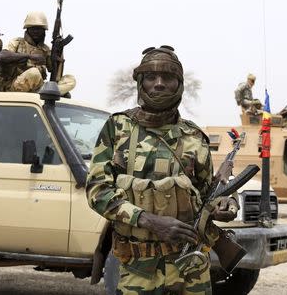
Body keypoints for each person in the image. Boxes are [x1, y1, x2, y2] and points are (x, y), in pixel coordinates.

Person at [86, 46, 239, 294]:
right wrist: (149, 220)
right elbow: (97, 191)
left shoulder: (194, 136)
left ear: (178, 84)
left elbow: (206, 193)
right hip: (138, 270)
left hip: (190, 267)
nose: (158, 84)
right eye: (150, 78)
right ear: (140, 83)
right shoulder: (117, 128)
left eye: (167, 78)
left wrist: (225, 205)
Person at [0, 11, 75, 94]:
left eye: (39, 29)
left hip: (38, 87)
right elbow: (2, 56)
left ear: (44, 31)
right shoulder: (17, 42)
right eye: (33, 28)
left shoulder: (45, 50)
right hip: (14, 87)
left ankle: (48, 93)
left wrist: (58, 51)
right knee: (34, 73)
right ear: (27, 29)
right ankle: (51, 93)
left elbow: (54, 72)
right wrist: (29, 56)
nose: (36, 32)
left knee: (70, 80)